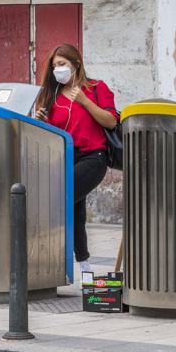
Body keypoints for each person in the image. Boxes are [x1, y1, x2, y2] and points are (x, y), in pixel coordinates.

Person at [34, 43, 118, 274]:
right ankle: (85, 268)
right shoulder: (51, 97)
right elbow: (50, 137)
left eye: (62, 64)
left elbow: (111, 121)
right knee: (74, 208)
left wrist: (84, 100)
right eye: (54, 66)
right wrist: (41, 121)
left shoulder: (96, 88)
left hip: (93, 157)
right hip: (64, 159)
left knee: (59, 198)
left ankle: (44, 256)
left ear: (76, 64)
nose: (57, 70)